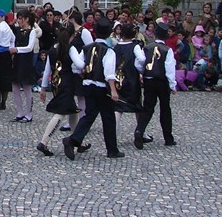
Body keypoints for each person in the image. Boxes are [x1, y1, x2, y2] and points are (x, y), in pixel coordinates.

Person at [62, 18, 123, 160]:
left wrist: (84, 75)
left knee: (89, 115)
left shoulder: (87, 48)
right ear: (109, 34)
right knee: (108, 118)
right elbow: (109, 73)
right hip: (102, 87)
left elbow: (78, 66)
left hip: (88, 85)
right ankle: (112, 149)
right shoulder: (109, 51)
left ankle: (73, 140)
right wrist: (113, 90)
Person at [37, 25, 85, 156]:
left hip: (56, 83)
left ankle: (78, 141)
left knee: (72, 111)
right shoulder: (70, 48)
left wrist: (43, 88)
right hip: (67, 83)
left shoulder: (53, 48)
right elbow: (80, 64)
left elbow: (47, 70)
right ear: (72, 36)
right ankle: (44, 141)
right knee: (60, 113)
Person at [134, 23, 177, 150]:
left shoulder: (147, 47)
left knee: (148, 107)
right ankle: (168, 138)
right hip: (162, 81)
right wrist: (172, 84)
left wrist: (143, 73)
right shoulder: (167, 50)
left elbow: (139, 63)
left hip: (149, 80)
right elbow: (169, 68)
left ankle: (139, 131)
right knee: (165, 108)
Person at [10, 9, 37, 123]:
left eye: (21, 18)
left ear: (27, 19)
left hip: (26, 61)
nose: (19, 21)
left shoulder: (32, 32)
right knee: (15, 87)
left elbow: (29, 47)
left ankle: (29, 113)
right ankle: (20, 112)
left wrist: (17, 49)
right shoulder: (17, 31)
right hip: (17, 61)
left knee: (27, 88)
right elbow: (12, 41)